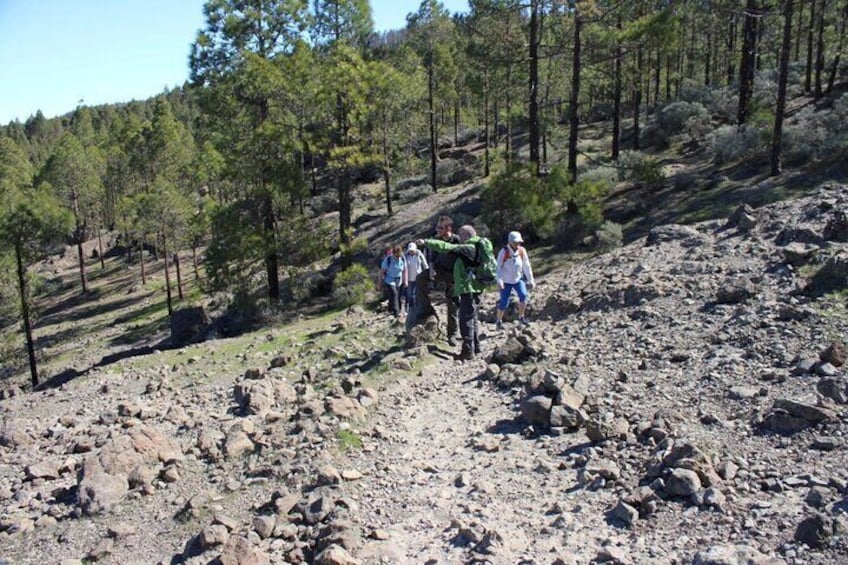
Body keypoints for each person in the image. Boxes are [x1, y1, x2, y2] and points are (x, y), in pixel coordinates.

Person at [417, 224, 485, 361]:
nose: (460, 237)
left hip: (468, 288)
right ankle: (476, 347)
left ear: (466, 235)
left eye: (461, 235)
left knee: (465, 319)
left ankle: (468, 352)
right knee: (473, 317)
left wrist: (426, 242)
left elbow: (447, 247)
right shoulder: (478, 245)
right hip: (475, 286)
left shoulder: (467, 247)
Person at [426, 216, 461, 346]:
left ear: (448, 228)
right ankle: (424, 309)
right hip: (441, 271)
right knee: (420, 279)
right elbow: (432, 257)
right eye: (437, 227)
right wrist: (431, 269)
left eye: (440, 228)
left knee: (452, 304)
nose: (437, 230)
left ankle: (452, 334)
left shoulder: (456, 240)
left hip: (454, 275)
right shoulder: (436, 240)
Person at [495, 231, 535, 329]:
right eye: (515, 242)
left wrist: (531, 280)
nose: (517, 244)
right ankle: (499, 321)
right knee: (504, 302)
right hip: (506, 281)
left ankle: (521, 317)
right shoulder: (503, 252)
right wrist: (499, 280)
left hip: (518, 279)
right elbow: (498, 267)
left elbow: (526, 266)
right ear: (510, 241)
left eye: (519, 242)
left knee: (523, 295)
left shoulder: (522, 251)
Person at [378, 245, 407, 318]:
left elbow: (405, 270)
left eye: (399, 256)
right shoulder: (388, 259)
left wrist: (405, 280)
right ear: (393, 254)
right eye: (396, 256)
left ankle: (391, 309)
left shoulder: (402, 258)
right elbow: (382, 272)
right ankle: (396, 314)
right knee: (394, 294)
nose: (398, 257)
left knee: (396, 295)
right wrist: (379, 283)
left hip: (398, 279)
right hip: (389, 279)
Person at [404, 242, 429, 313]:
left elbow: (425, 265)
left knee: (417, 294)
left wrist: (427, 274)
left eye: (413, 250)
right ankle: (410, 309)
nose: (411, 252)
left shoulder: (419, 255)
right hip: (409, 278)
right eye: (410, 250)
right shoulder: (405, 256)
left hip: (418, 278)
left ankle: (418, 307)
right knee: (409, 294)